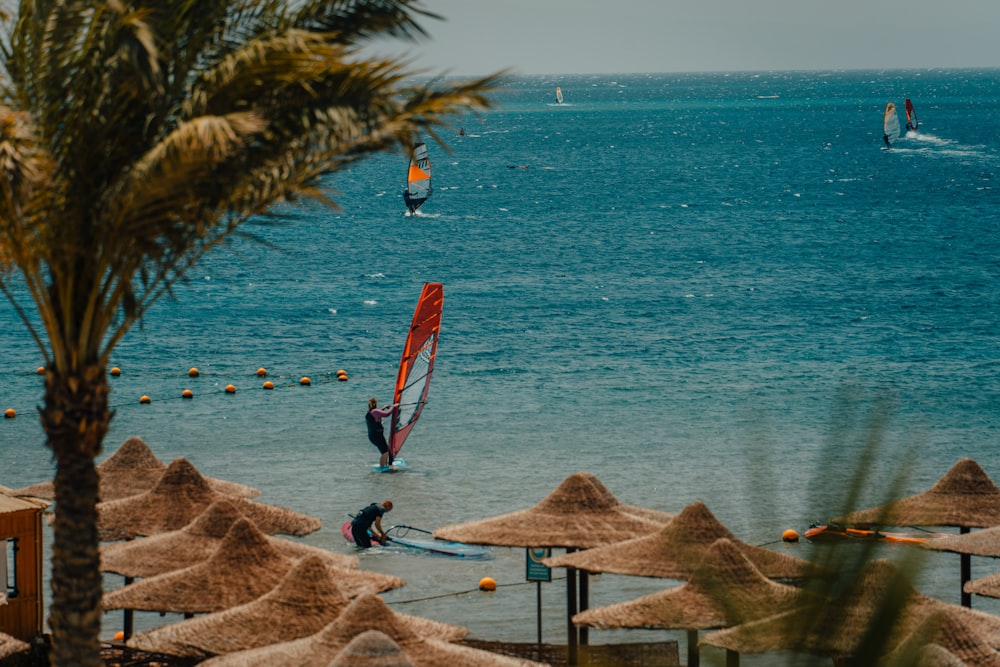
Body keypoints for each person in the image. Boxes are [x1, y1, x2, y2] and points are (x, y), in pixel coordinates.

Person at [366, 397, 398, 467]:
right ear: (375, 404)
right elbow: (387, 414)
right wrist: (393, 407)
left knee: (386, 451)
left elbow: (377, 413)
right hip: (377, 436)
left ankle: (385, 466)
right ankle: (382, 467)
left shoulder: (370, 412)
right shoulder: (375, 412)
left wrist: (383, 408)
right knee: (385, 452)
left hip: (373, 436)